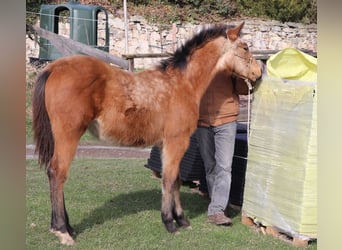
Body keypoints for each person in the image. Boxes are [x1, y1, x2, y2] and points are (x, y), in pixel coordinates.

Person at [196, 71, 255, 226]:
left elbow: (243, 89)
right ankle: (219, 203)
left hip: (226, 120)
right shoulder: (198, 61)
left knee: (224, 166)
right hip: (202, 122)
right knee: (210, 166)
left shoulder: (229, 62)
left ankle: (216, 210)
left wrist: (243, 75)